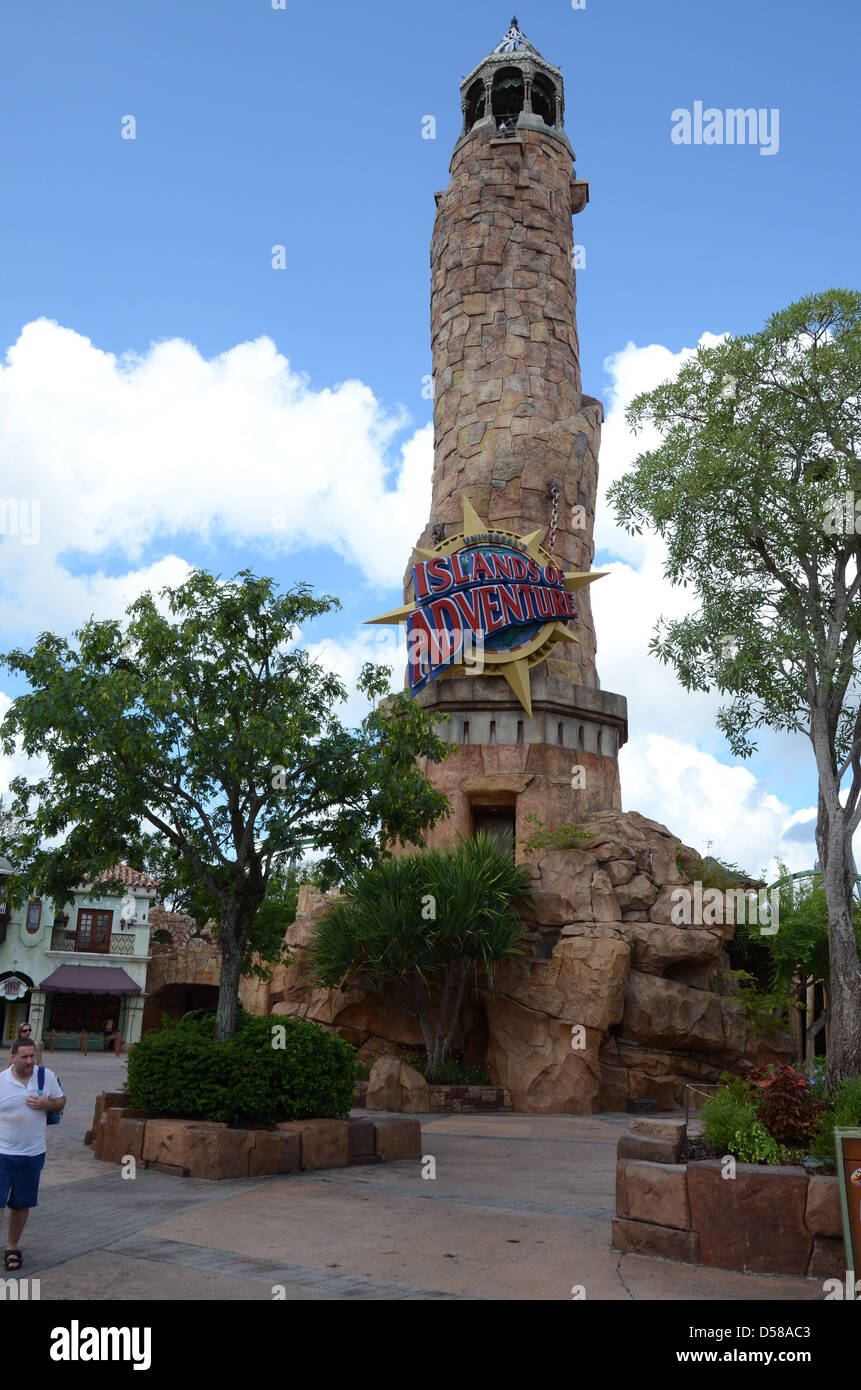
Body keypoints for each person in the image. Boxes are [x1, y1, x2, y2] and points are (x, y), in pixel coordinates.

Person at [0, 1036, 66, 1270]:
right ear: (12, 1057)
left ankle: (11, 1247)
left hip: (32, 1153)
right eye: (24, 1056)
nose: (29, 1061)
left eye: (32, 1056)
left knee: (21, 1204)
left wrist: (47, 1105)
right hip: (2, 1153)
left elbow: (61, 1100)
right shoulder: (2, 1081)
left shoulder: (44, 1076)